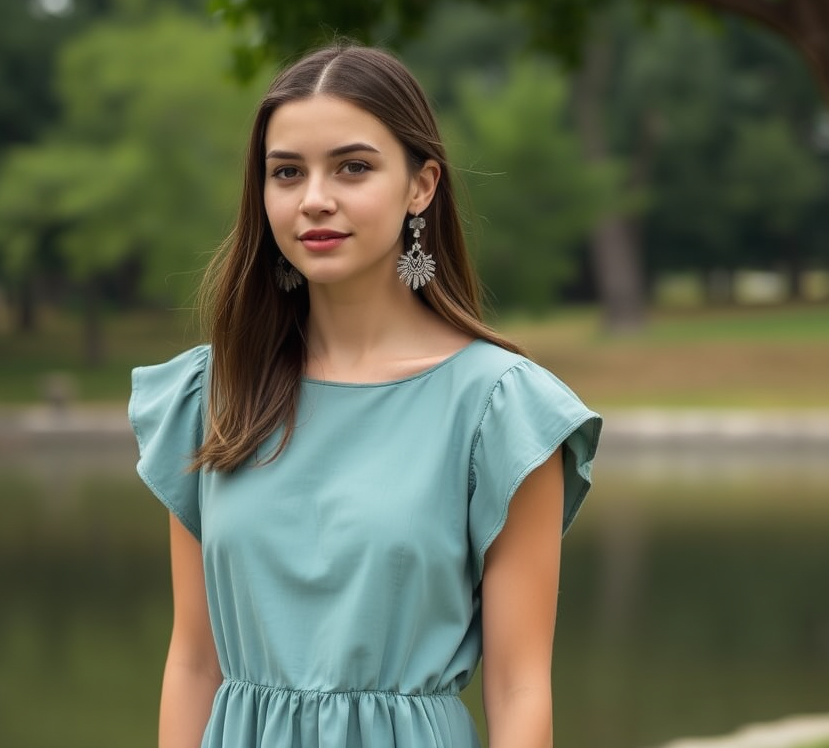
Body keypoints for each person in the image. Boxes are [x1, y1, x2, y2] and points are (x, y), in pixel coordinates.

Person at [129, 44, 602, 748]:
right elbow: (195, 661)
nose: (315, 197)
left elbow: (520, 685)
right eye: (287, 172)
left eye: (352, 167)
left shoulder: (501, 411)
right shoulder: (213, 395)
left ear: (421, 185)